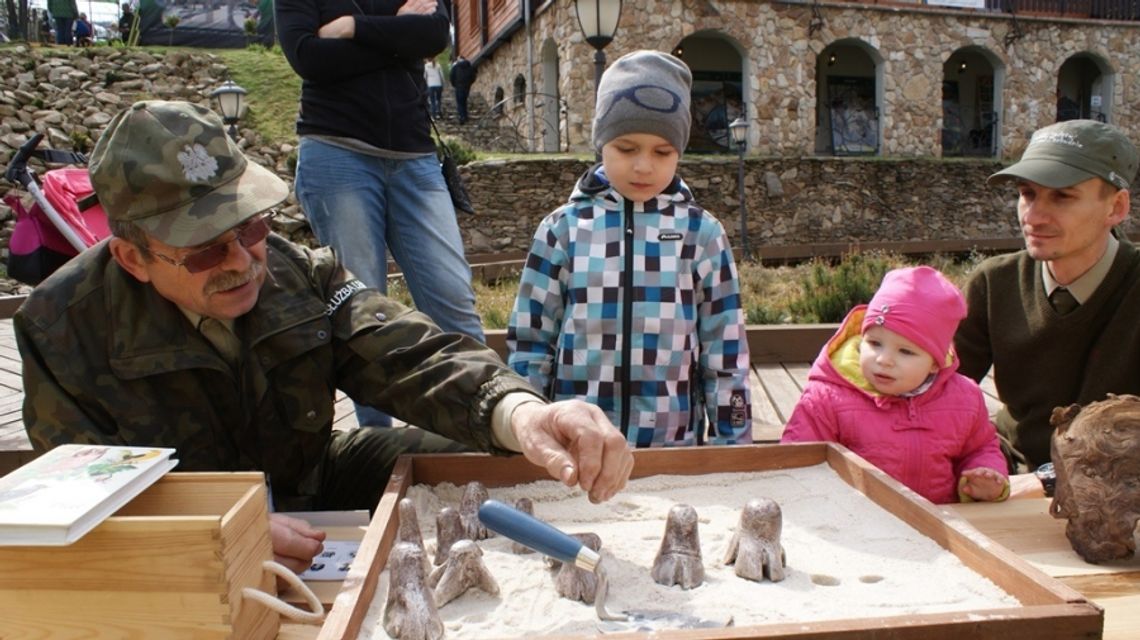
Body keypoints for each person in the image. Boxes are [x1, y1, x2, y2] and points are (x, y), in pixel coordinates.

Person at [14, 100, 634, 575]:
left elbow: (404, 353)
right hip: (187, 522)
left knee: (468, 446)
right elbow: (88, 500)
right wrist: (224, 532)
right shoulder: (60, 326)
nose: (243, 260)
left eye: (249, 225)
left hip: (310, 480)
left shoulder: (295, 270)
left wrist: (520, 411)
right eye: (205, 250)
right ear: (132, 257)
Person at [507, 50, 752, 448]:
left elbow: (726, 354)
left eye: (662, 152)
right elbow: (530, 345)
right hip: (577, 449)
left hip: (671, 450)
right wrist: (528, 436)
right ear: (601, 140)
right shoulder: (562, 230)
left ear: (680, 151)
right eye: (626, 148)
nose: (643, 166)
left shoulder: (702, 234)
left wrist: (734, 445)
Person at [276, 0, 486, 427]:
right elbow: (309, 58)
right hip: (337, 154)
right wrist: (397, 35)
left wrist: (354, 27)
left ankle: (482, 421)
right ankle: (380, 446)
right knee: (363, 311)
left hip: (415, 156)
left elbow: (434, 37)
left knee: (454, 298)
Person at [955, 119, 1140, 496]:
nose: (1033, 215)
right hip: (1003, 475)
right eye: (1027, 193)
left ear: (1116, 207)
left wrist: (1046, 481)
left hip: (1118, 492)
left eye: (1062, 196)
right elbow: (938, 389)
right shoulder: (994, 283)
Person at [782, 266, 1009, 505]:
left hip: (941, 525)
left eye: (905, 351)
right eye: (874, 343)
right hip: (853, 523)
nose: (884, 359)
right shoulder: (826, 398)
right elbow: (799, 458)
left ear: (935, 363)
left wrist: (986, 473)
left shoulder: (964, 399)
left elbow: (980, 447)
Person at [450, 55, 475, 124]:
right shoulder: (469, 67)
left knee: (460, 102)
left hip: (459, 86)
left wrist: (454, 84)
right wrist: (469, 84)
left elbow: (452, 76)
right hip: (466, 87)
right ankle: (465, 116)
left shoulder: (455, 67)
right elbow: (473, 77)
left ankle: (462, 117)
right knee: (464, 101)